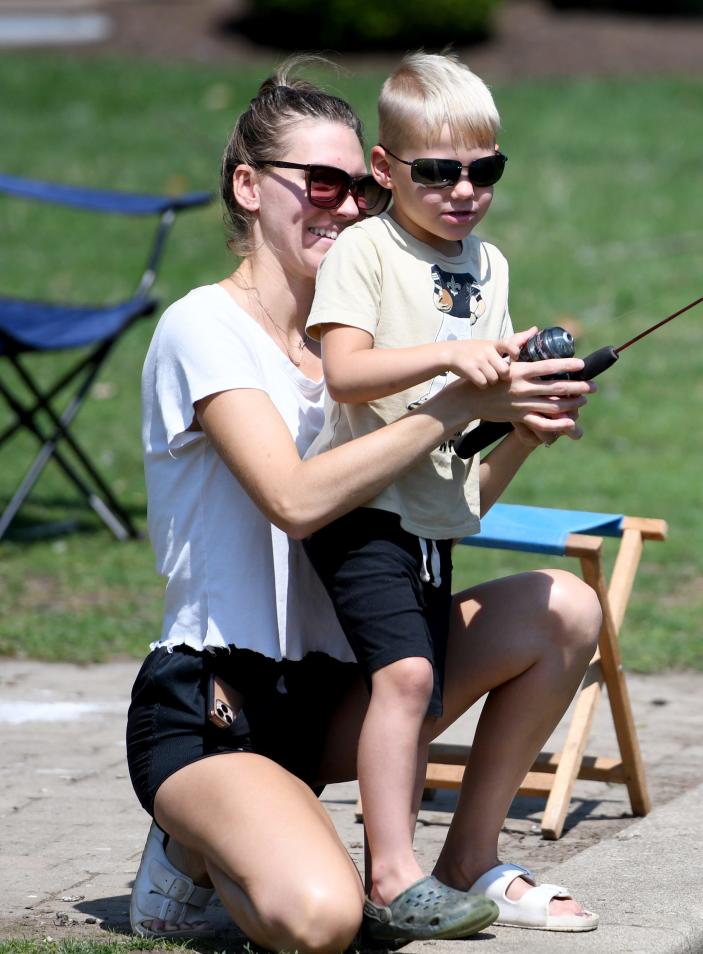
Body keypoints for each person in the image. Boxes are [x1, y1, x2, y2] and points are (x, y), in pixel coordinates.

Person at [126, 58, 601, 954]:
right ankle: (190, 848)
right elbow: (297, 502)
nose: (345, 208)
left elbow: (444, 508)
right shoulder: (204, 328)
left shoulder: (379, 350)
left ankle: (467, 861)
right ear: (247, 186)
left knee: (564, 610)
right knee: (324, 920)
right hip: (217, 708)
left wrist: (525, 431)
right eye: (321, 184)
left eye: (357, 190)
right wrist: (454, 400)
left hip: (340, 698)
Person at [299, 51, 601, 943]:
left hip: (430, 519)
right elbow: (347, 372)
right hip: (363, 516)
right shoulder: (365, 249)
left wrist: (525, 425)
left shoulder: (489, 264)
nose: (464, 189)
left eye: (485, 169)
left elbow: (463, 473)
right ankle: (391, 879)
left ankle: (468, 862)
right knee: (408, 675)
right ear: (385, 171)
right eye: (438, 171)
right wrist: (451, 359)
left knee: (432, 676)